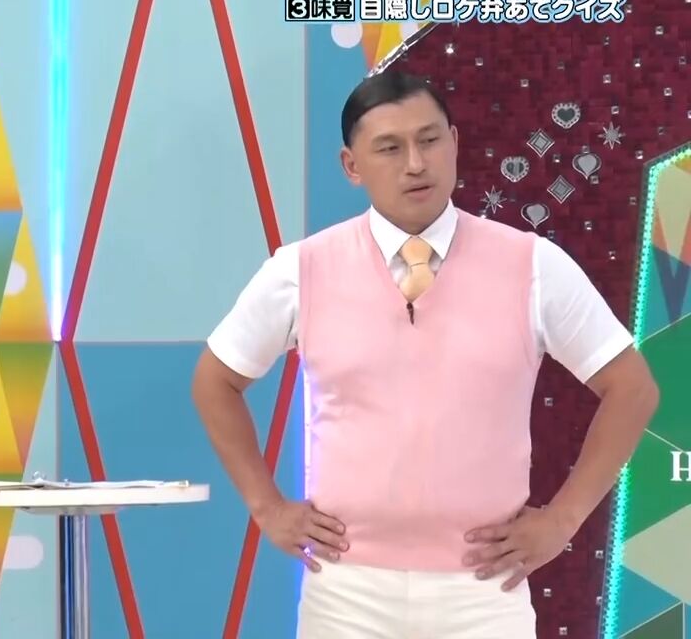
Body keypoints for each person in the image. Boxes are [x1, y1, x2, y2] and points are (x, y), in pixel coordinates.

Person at [192, 71, 659, 638]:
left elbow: (632, 388)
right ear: (352, 166)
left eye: (430, 140)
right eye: (389, 148)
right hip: (345, 593)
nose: (415, 164)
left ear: (455, 144)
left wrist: (564, 519)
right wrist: (267, 508)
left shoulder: (533, 265)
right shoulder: (301, 269)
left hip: (485, 592)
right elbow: (214, 381)